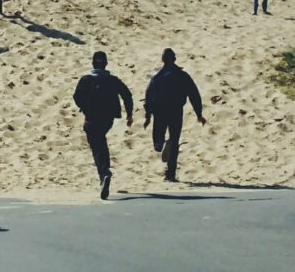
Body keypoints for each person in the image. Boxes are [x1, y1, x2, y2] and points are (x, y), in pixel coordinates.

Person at [73, 51, 133, 200]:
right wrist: (129, 113)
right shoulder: (112, 80)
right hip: (108, 119)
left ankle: (104, 173)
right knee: (100, 140)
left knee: (96, 145)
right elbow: (127, 94)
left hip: (92, 118)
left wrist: (85, 108)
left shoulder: (86, 80)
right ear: (106, 63)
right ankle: (104, 173)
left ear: (93, 63)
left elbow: (77, 96)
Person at [143, 48, 206, 182]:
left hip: (160, 112)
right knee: (174, 141)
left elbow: (148, 96)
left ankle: (165, 153)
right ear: (175, 59)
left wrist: (148, 115)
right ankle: (170, 173)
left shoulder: (157, 77)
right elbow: (194, 94)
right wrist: (199, 113)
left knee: (158, 143)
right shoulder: (182, 76)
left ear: (162, 59)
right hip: (176, 111)